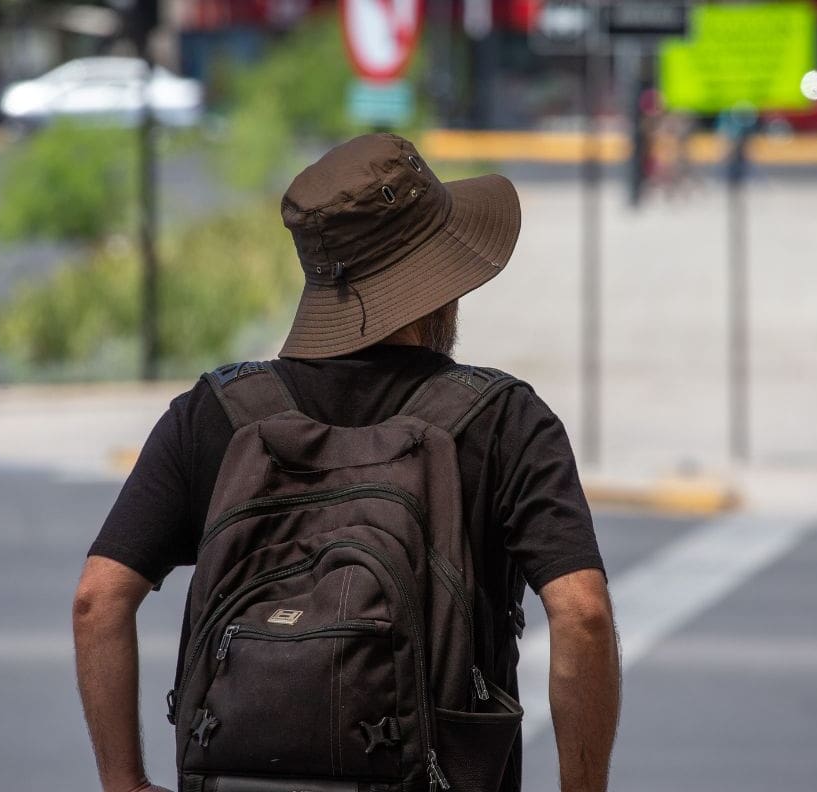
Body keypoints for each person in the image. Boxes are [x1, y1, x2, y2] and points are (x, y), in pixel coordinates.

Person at [72, 133, 621, 792]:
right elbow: (583, 613)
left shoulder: (216, 413)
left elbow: (97, 602)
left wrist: (124, 782)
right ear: (436, 284)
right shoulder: (502, 419)